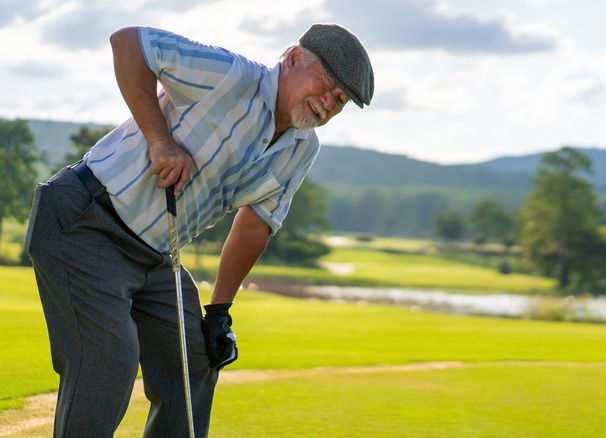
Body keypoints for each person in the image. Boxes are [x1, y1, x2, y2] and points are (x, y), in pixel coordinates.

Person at [25, 23, 373, 437]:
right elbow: (129, 42)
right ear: (295, 58)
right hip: (85, 222)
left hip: (155, 259)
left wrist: (219, 312)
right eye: (329, 84)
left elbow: (256, 225)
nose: (329, 103)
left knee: (194, 360)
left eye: (341, 100)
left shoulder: (302, 147)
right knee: (108, 362)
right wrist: (159, 140)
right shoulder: (230, 75)